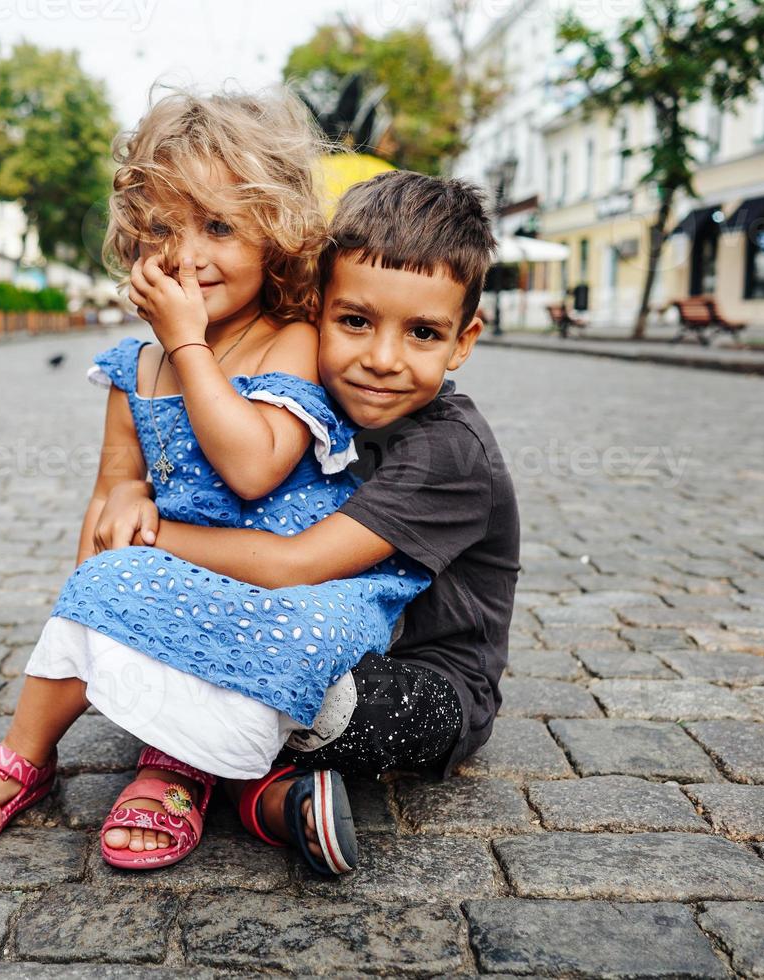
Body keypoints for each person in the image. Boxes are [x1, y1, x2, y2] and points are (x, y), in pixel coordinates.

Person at [0, 90, 428, 873]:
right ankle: (22, 757)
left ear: (274, 235)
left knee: (290, 639)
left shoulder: (285, 343)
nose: (186, 254)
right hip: (175, 573)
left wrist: (185, 344)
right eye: (161, 229)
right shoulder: (133, 368)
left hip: (282, 585)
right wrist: (99, 582)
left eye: (217, 226)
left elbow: (252, 469)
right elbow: (111, 490)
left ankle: (176, 764)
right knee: (104, 586)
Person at [94, 170, 520, 859]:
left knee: (304, 686)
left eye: (421, 333)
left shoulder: (448, 452)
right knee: (225, 648)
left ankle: (230, 780)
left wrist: (147, 535)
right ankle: (265, 795)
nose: (380, 360)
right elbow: (222, 483)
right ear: (317, 309)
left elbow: (291, 564)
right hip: (307, 625)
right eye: (354, 322)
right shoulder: (305, 394)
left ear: (462, 341)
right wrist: (136, 489)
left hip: (414, 677)